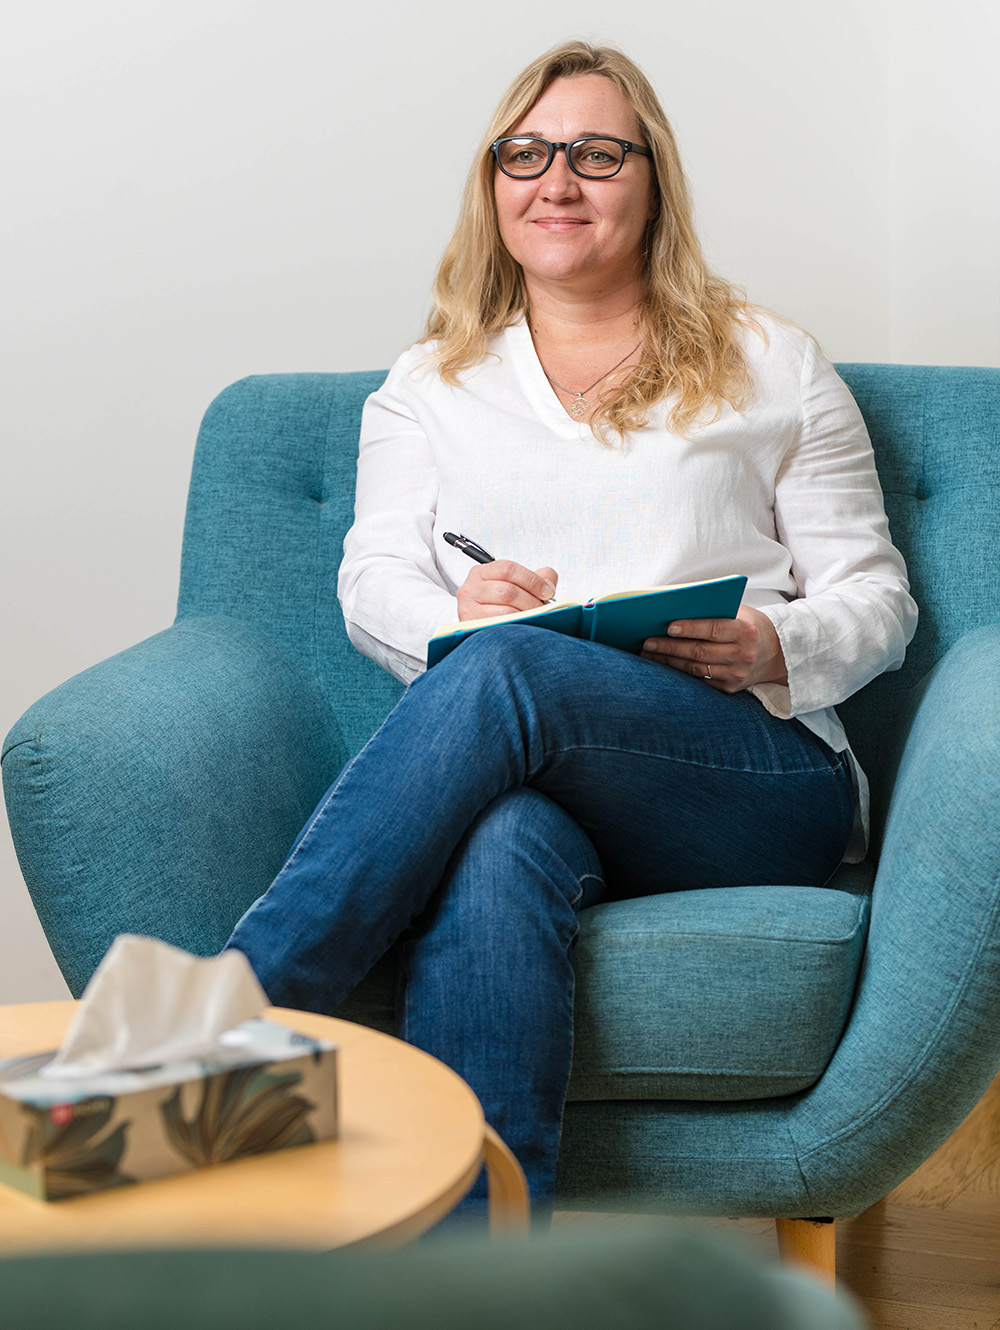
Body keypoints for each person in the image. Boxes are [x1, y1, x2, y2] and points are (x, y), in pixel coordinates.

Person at [226, 41, 917, 1217]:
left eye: (598, 154)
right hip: (535, 773)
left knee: (510, 674)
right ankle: (478, 1276)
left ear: (653, 183)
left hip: (746, 774)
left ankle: (238, 1014)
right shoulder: (430, 384)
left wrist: (777, 647)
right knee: (495, 845)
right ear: (492, 187)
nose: (558, 180)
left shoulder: (771, 362)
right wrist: (455, 612)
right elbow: (371, 582)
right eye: (527, 154)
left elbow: (878, 597)